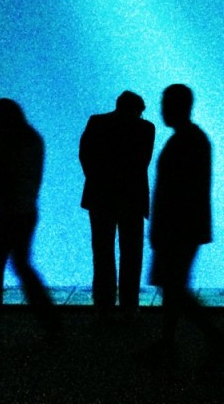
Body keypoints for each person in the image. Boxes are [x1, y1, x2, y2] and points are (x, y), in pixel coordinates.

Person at [145, 84, 224, 364]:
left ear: (179, 106)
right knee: (173, 285)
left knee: (173, 285)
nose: (162, 109)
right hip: (185, 226)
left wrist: (159, 226)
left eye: (166, 104)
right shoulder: (193, 138)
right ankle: (169, 341)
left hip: (177, 227)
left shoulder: (185, 140)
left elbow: (174, 191)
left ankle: (215, 336)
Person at [0, 98, 61, 345]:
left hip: (5, 212)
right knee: (22, 266)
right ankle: (52, 323)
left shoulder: (9, 140)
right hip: (28, 211)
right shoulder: (34, 138)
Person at [79, 90, 155, 318]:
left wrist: (97, 179)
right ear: (138, 110)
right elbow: (141, 162)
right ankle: (129, 305)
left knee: (102, 252)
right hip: (131, 198)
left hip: (100, 197)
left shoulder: (97, 122)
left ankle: (104, 304)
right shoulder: (145, 128)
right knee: (131, 253)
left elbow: (84, 155)